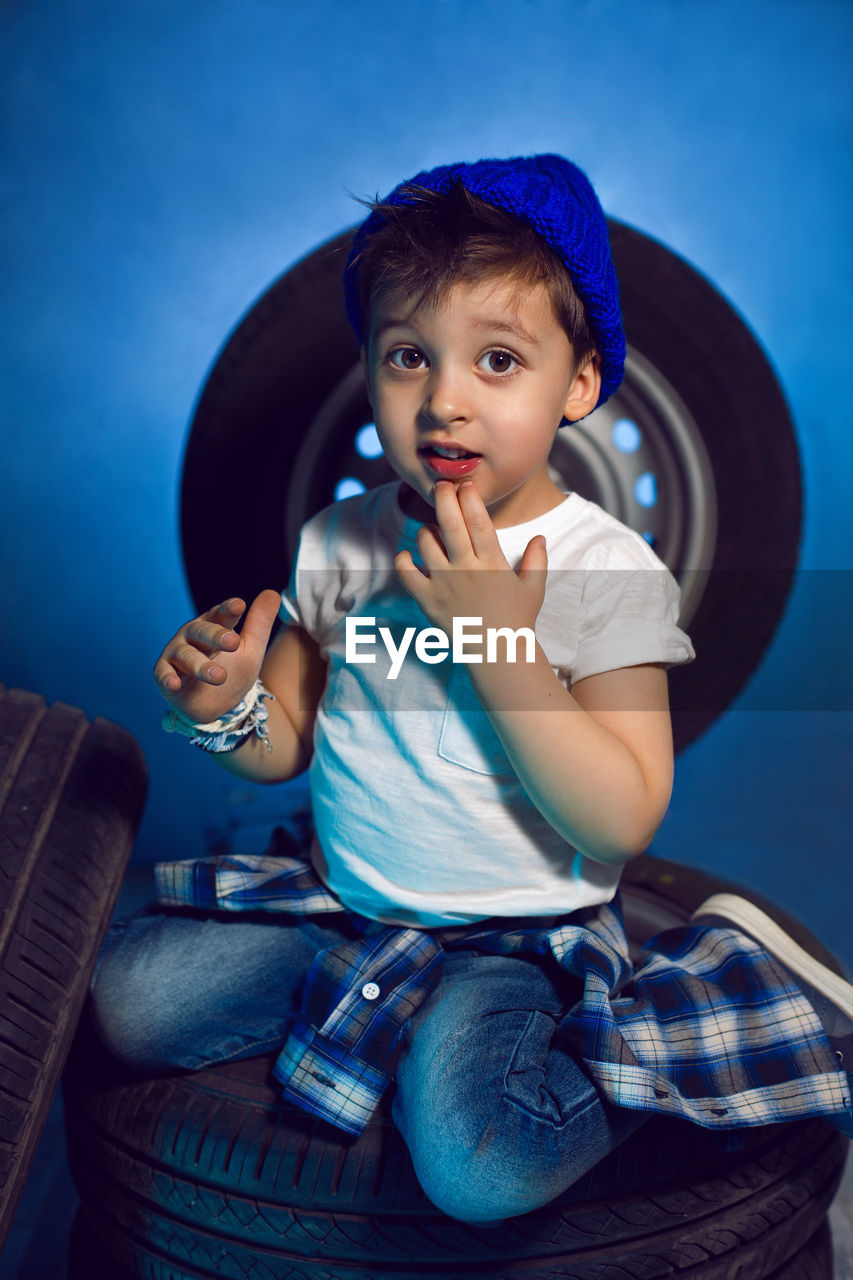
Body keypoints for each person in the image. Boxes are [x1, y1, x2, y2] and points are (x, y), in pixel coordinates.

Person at [89, 155, 852, 1225]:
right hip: (351, 908)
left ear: (577, 384)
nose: (444, 400)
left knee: (480, 1164)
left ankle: (678, 1046)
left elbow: (623, 812)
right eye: (409, 356)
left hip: (518, 939)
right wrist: (225, 712)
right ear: (370, 365)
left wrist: (498, 636)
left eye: (498, 360)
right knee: (128, 1001)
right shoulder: (341, 543)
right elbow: (291, 739)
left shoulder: (604, 568)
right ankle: (406, 1030)